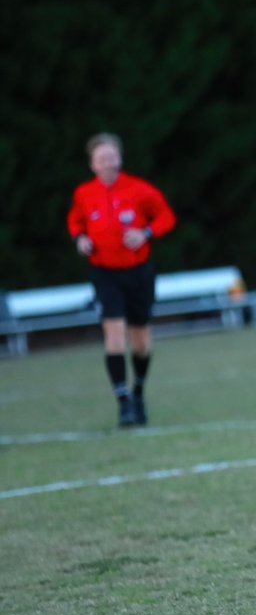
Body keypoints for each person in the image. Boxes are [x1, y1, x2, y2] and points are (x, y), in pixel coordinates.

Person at [67, 132, 177, 428]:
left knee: (140, 339)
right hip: (105, 272)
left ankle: (138, 390)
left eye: (111, 156)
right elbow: (75, 220)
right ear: (92, 164)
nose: (107, 163)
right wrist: (79, 238)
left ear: (120, 158)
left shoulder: (139, 189)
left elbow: (166, 216)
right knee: (114, 334)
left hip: (138, 271)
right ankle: (123, 401)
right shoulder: (84, 194)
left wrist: (146, 233)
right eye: (101, 158)